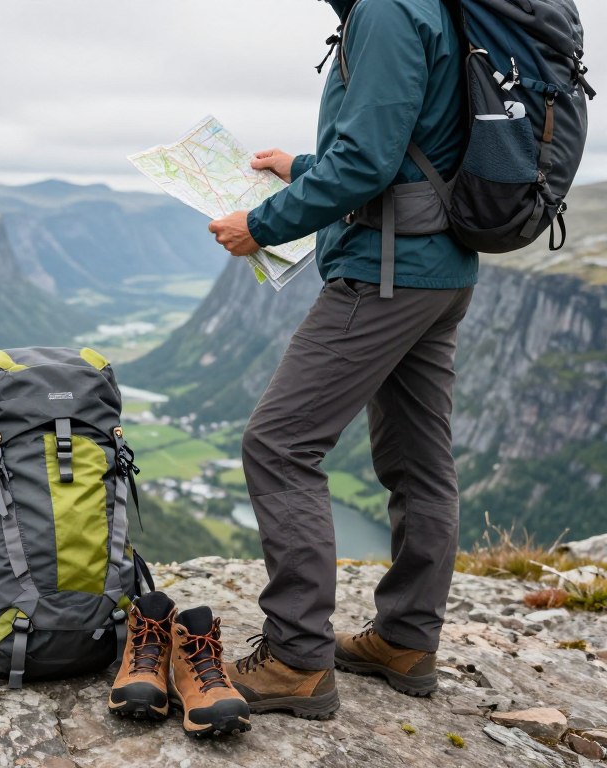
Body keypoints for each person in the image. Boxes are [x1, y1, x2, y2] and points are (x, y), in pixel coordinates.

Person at [208, 0, 477, 720]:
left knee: (279, 443)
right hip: (439, 268)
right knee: (420, 461)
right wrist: (295, 165)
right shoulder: (428, 7)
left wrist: (259, 224)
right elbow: (413, 142)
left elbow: (366, 160)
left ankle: (296, 658)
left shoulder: (386, 10)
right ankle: (407, 640)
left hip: (385, 271)